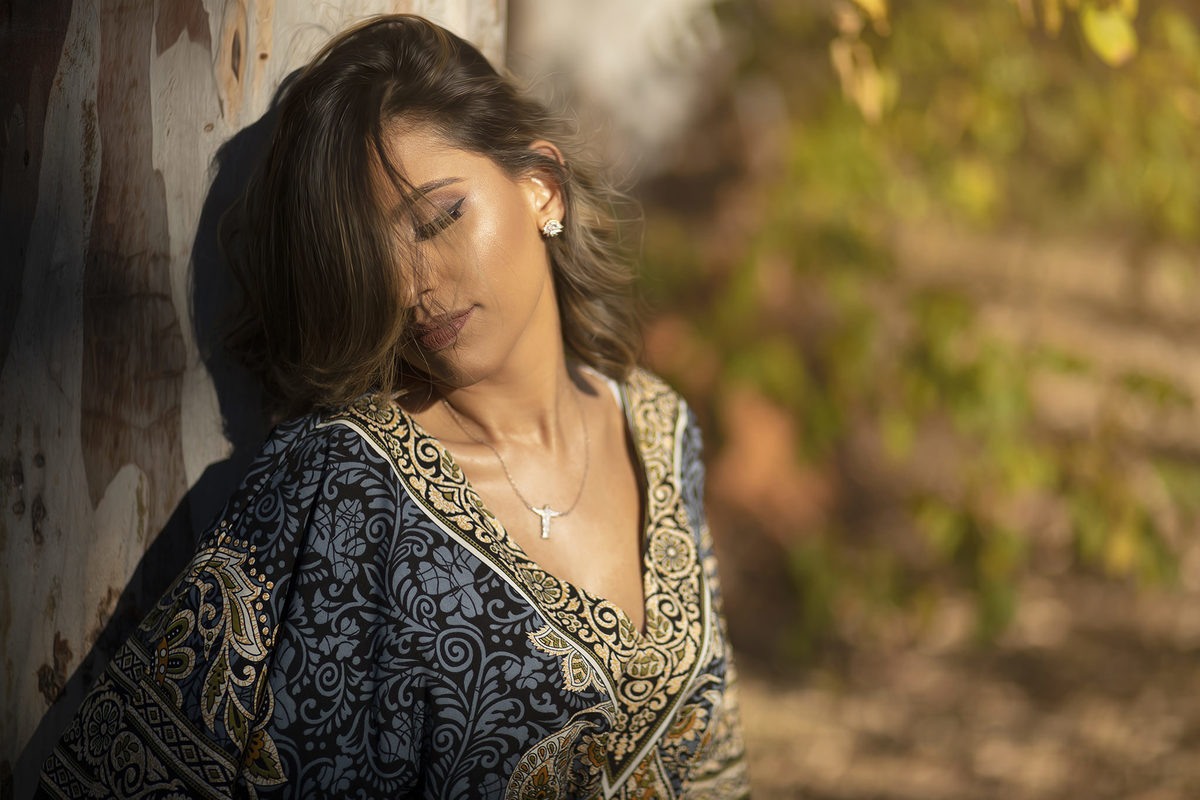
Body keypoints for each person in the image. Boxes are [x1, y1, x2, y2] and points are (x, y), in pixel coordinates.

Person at [38, 13, 748, 799]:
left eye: (440, 217)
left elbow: (713, 757)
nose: (414, 285)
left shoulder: (658, 425)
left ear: (541, 186)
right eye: (370, 257)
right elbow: (122, 773)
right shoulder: (343, 481)